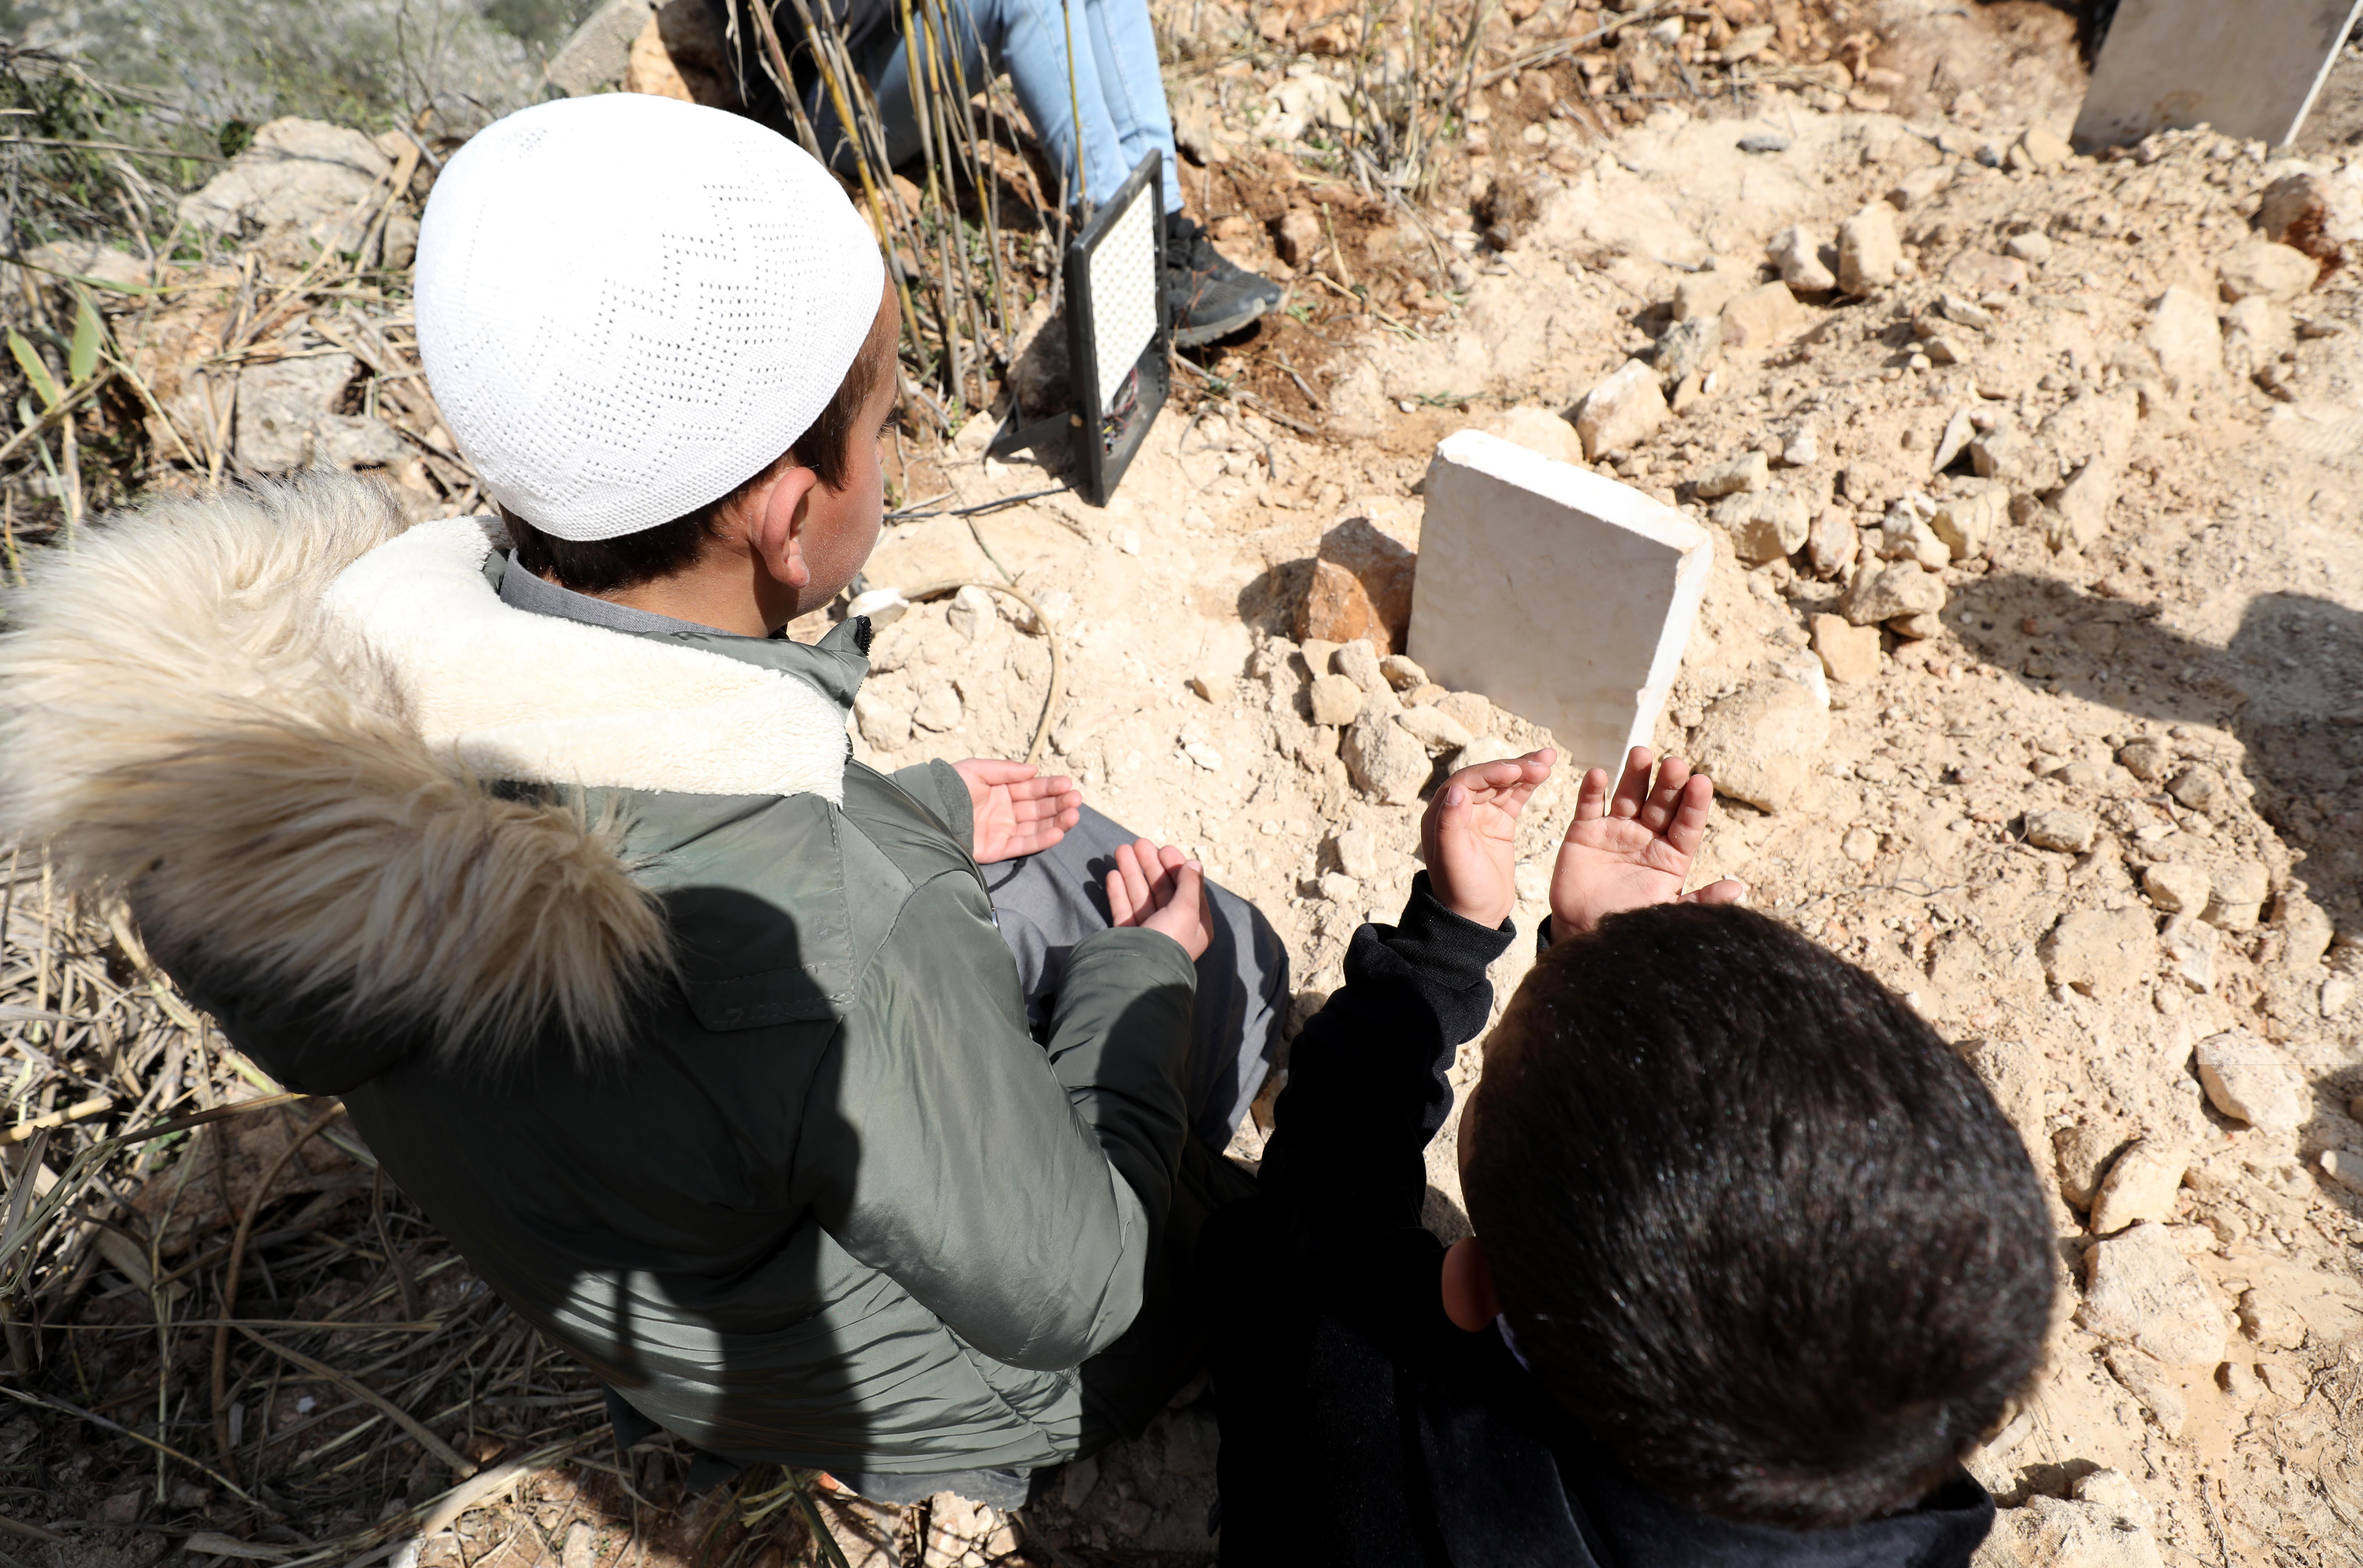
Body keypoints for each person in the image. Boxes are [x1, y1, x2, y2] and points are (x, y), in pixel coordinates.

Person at [0, 93, 1286, 1507]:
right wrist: (1136, 976)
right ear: (792, 523)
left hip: (682, 1328)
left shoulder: (330, 752)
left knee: (1039, 867)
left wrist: (910, 820)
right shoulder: (834, 939)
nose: (900, 448)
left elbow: (682, 883)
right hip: (960, 1392)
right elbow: (1076, 1293)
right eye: (887, 420)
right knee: (1211, 953)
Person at [1203, 745, 2054, 1565]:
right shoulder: (1892, 1452)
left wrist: (1447, 943)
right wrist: (1598, 960)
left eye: (1499, 1055)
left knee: (1252, 1253)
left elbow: (1330, 1162)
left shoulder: (1366, 1372)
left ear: (1470, 1286)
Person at [708, 0, 1283, 346]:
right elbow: (825, 21)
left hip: (891, 56)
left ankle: (1165, 225)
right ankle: (1126, 259)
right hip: (822, 109)